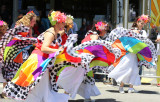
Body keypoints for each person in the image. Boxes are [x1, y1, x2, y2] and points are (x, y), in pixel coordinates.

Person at [3, 10, 70, 102]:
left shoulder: (54, 31)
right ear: (57, 23)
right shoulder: (50, 33)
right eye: (62, 23)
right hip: (38, 60)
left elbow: (60, 35)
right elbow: (44, 48)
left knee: (41, 87)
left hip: (42, 61)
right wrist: (59, 50)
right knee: (36, 86)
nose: (64, 25)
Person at [108, 14, 157, 94]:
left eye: (143, 23)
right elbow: (128, 42)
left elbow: (144, 42)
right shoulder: (132, 31)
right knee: (127, 69)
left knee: (134, 71)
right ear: (137, 22)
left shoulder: (142, 32)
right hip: (129, 54)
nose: (142, 24)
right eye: (141, 23)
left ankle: (130, 88)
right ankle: (121, 87)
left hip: (135, 55)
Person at [0, 20, 8, 98]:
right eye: (4, 28)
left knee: (4, 76)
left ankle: (4, 92)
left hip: (4, 58)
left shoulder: (6, 36)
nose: (6, 30)